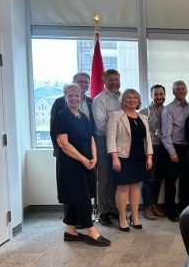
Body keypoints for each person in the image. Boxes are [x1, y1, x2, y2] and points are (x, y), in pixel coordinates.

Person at [53, 83, 110, 246]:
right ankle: (91, 231)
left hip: (86, 162)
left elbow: (91, 138)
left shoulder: (83, 116)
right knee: (82, 196)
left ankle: (70, 230)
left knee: (76, 195)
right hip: (70, 164)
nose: (74, 98)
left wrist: (94, 157)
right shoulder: (62, 116)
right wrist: (83, 159)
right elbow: (63, 144)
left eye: (77, 95)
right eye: (70, 95)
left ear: (81, 97)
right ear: (65, 97)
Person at [107, 89, 153, 231]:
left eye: (135, 98)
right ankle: (122, 217)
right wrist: (114, 157)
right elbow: (111, 137)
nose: (132, 100)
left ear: (138, 101)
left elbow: (148, 139)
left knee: (135, 187)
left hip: (139, 157)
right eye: (129, 98)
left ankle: (134, 216)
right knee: (123, 187)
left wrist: (150, 156)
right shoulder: (116, 115)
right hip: (122, 158)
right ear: (124, 100)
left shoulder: (143, 118)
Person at [161, 81, 189, 219]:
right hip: (174, 148)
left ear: (186, 91)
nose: (181, 91)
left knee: (186, 180)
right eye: (178, 89)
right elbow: (165, 134)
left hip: (188, 148)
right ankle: (170, 210)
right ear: (173, 91)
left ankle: (184, 208)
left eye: (183, 89)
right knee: (171, 181)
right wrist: (172, 152)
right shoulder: (168, 109)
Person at [92, 69, 122, 226]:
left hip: (120, 143)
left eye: (117, 79)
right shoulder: (100, 99)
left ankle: (113, 208)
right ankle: (103, 212)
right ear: (104, 81)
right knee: (104, 178)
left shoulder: (123, 97)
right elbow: (100, 124)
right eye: (111, 80)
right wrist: (118, 135)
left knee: (116, 177)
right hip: (103, 141)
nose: (115, 82)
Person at [139, 84, 167, 221]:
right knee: (149, 179)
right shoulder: (145, 111)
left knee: (158, 179)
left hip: (164, 148)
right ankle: (147, 207)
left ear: (165, 95)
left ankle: (154, 205)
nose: (159, 97)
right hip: (150, 149)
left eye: (161, 94)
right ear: (151, 96)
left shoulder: (168, 111)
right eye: (156, 94)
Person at [50, 72, 94, 157]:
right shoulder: (59, 102)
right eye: (80, 81)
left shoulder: (91, 102)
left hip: (86, 149)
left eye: (86, 82)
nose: (83, 84)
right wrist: (57, 150)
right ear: (73, 82)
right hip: (67, 150)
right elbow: (53, 128)